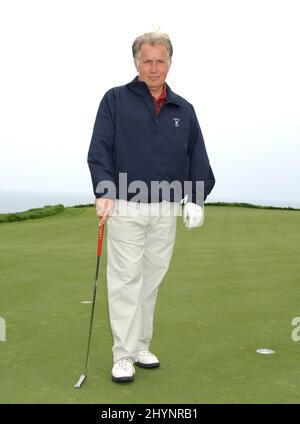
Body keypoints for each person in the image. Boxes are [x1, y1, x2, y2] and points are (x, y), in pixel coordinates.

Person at [87, 32, 215, 383]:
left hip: (166, 208)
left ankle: (141, 345)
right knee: (126, 280)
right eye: (147, 61)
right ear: (136, 63)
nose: (154, 68)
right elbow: (100, 148)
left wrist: (196, 198)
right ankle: (123, 355)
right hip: (126, 205)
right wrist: (104, 190)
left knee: (150, 282)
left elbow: (196, 156)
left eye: (160, 61)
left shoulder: (183, 109)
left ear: (170, 62)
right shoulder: (115, 100)